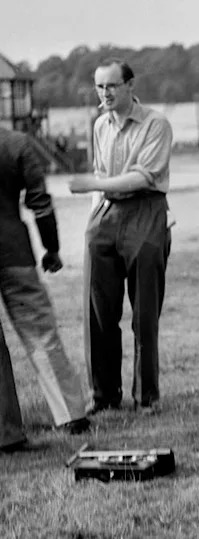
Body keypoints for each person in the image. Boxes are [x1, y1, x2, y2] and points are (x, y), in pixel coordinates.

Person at [68, 59, 173, 414]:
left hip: (145, 209)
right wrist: (96, 215)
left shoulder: (155, 123)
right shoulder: (100, 126)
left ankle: (146, 398)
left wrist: (93, 185)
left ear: (130, 86)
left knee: (144, 313)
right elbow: (103, 173)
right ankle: (104, 396)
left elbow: (143, 178)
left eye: (112, 85)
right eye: (100, 87)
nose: (105, 93)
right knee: (99, 311)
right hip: (107, 212)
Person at [0, 126, 91, 451]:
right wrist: (50, 248)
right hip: (14, 251)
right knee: (41, 333)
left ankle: (6, 433)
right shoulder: (17, 143)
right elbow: (39, 202)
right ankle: (70, 415)